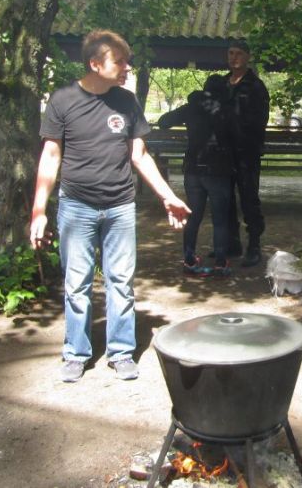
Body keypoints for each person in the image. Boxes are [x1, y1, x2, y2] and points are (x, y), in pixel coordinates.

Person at [29, 29, 190, 384]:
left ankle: (121, 352)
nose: (127, 67)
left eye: (126, 61)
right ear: (94, 64)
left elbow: (139, 155)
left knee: (121, 282)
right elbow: (51, 156)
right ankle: (76, 353)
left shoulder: (126, 102)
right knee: (77, 283)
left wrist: (167, 195)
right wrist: (38, 211)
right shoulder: (63, 100)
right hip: (76, 206)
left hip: (120, 207)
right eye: (119, 61)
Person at [157, 74, 234, 276]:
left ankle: (190, 260)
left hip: (193, 168)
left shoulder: (192, 106)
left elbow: (163, 121)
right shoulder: (227, 108)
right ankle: (221, 263)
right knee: (220, 219)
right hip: (219, 170)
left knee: (193, 216)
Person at [218, 39, 270, 267]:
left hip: (247, 153)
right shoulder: (221, 83)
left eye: (239, 53)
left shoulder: (255, 86)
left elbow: (260, 121)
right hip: (223, 153)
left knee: (249, 199)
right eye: (230, 53)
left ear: (248, 57)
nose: (234, 57)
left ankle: (254, 246)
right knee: (225, 199)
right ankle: (232, 243)